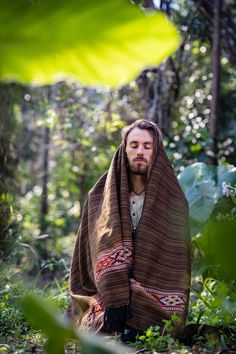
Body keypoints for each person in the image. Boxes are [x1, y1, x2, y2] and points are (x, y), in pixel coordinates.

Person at [69, 119, 191, 342]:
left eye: (147, 146)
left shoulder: (173, 199)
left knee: (157, 324)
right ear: (124, 149)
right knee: (98, 320)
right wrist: (117, 286)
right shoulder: (99, 196)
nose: (140, 152)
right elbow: (89, 255)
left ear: (156, 151)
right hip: (108, 292)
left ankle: (137, 322)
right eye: (134, 145)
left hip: (155, 295)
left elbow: (176, 262)